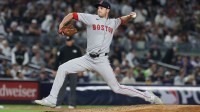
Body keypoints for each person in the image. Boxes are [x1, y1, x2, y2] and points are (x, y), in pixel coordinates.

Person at [34, 1, 163, 107]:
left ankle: (148, 95)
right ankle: (52, 99)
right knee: (62, 68)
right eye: (98, 7)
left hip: (102, 61)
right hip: (87, 58)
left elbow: (121, 20)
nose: (99, 9)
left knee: (116, 88)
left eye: (102, 8)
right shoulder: (91, 18)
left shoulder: (113, 22)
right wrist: (61, 25)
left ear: (108, 10)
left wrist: (129, 16)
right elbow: (72, 14)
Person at [54, 36, 82, 109]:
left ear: (72, 41)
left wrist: (80, 70)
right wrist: (55, 69)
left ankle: (72, 104)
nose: (68, 42)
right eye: (67, 41)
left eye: (69, 41)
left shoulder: (77, 49)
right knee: (62, 87)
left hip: (74, 70)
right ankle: (58, 104)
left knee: (73, 87)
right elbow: (57, 60)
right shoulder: (62, 49)